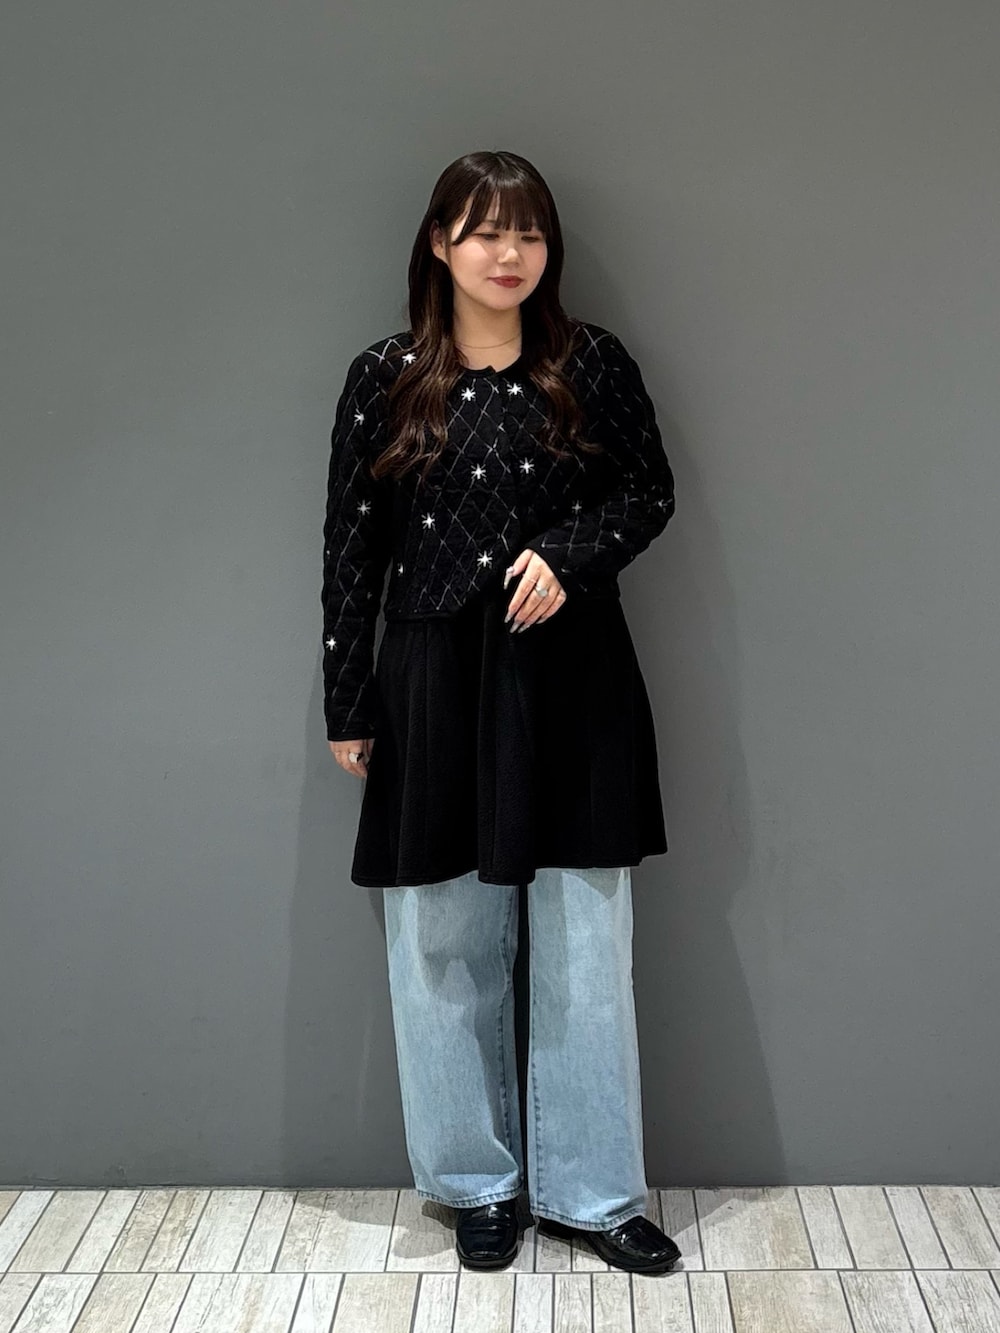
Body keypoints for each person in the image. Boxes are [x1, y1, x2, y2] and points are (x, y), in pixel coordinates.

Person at [320, 150, 681, 1274]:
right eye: (483, 231)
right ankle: (474, 1183)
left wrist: (569, 554)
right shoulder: (384, 377)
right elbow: (350, 552)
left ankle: (593, 1191)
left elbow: (649, 490)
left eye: (527, 232)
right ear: (439, 244)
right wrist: (348, 700)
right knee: (441, 938)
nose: (508, 253)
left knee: (585, 939)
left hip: (573, 678)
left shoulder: (590, 364)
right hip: (431, 677)